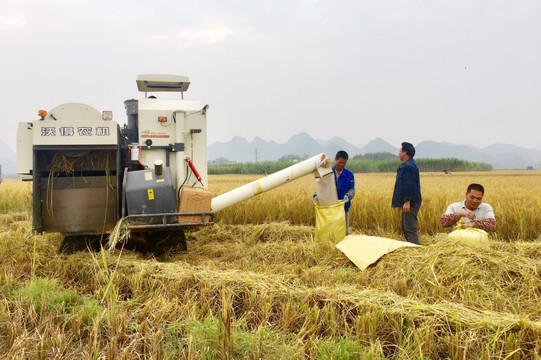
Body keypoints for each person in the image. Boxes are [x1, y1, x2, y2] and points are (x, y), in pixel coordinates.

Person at [313, 150, 355, 234]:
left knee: (343, 231)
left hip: (343, 208)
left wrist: (348, 196)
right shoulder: (327, 172)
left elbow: (352, 189)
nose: (342, 164)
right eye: (340, 162)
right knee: (329, 230)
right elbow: (321, 187)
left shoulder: (349, 174)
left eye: (344, 163)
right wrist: (316, 196)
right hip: (329, 208)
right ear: (335, 159)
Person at [392, 142, 422, 244]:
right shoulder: (406, 165)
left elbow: (409, 186)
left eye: (400, 150)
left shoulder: (409, 166)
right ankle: (411, 248)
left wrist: (407, 202)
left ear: (405, 153)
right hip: (408, 202)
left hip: (411, 202)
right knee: (406, 227)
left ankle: (416, 251)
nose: (399, 152)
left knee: (409, 228)